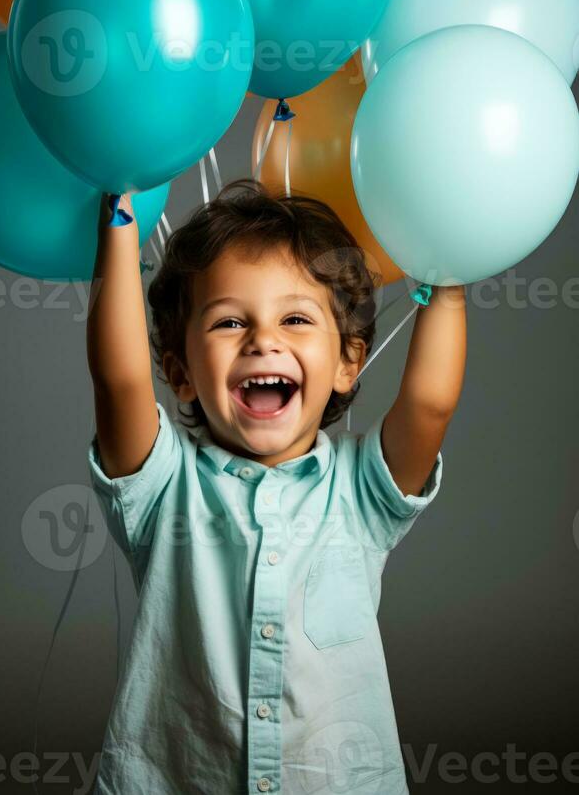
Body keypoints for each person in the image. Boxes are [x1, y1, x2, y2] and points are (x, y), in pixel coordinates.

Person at [86, 177, 466, 795]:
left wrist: (452, 270)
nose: (265, 340)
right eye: (230, 322)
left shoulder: (360, 492)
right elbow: (120, 380)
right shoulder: (163, 487)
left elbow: (428, 405)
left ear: (348, 362)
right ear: (180, 373)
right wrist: (119, 220)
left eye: (295, 318)